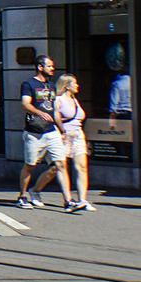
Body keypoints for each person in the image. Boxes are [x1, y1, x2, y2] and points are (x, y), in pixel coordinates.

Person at [17, 55, 73, 208]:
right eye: (49, 66)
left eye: (52, 66)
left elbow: (54, 110)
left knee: (60, 164)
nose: (52, 69)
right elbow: (25, 104)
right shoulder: (28, 84)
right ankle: (22, 196)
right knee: (30, 165)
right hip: (34, 132)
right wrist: (39, 112)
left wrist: (62, 130)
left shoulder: (52, 86)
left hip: (51, 131)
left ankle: (68, 201)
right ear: (40, 67)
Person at [54, 73, 96, 213]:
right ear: (67, 86)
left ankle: (82, 199)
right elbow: (56, 117)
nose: (77, 86)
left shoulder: (75, 100)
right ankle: (66, 199)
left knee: (82, 167)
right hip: (64, 136)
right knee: (59, 167)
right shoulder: (59, 99)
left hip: (78, 135)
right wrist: (62, 132)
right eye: (75, 83)